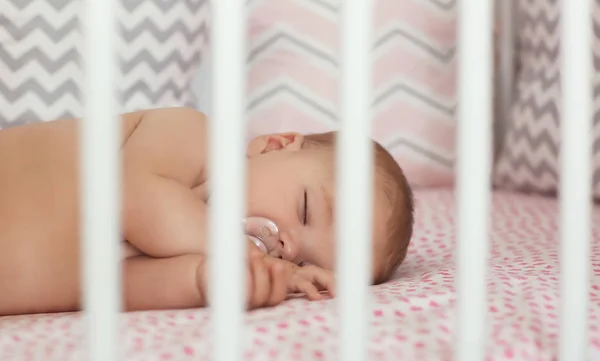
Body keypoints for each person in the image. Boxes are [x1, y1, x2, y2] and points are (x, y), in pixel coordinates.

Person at [0, 107, 413, 315]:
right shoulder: (197, 138)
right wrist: (238, 253)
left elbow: (110, 287)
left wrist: (204, 282)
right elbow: (133, 198)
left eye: (303, 261)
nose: (285, 247)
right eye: (305, 210)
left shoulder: (198, 247)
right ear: (275, 145)